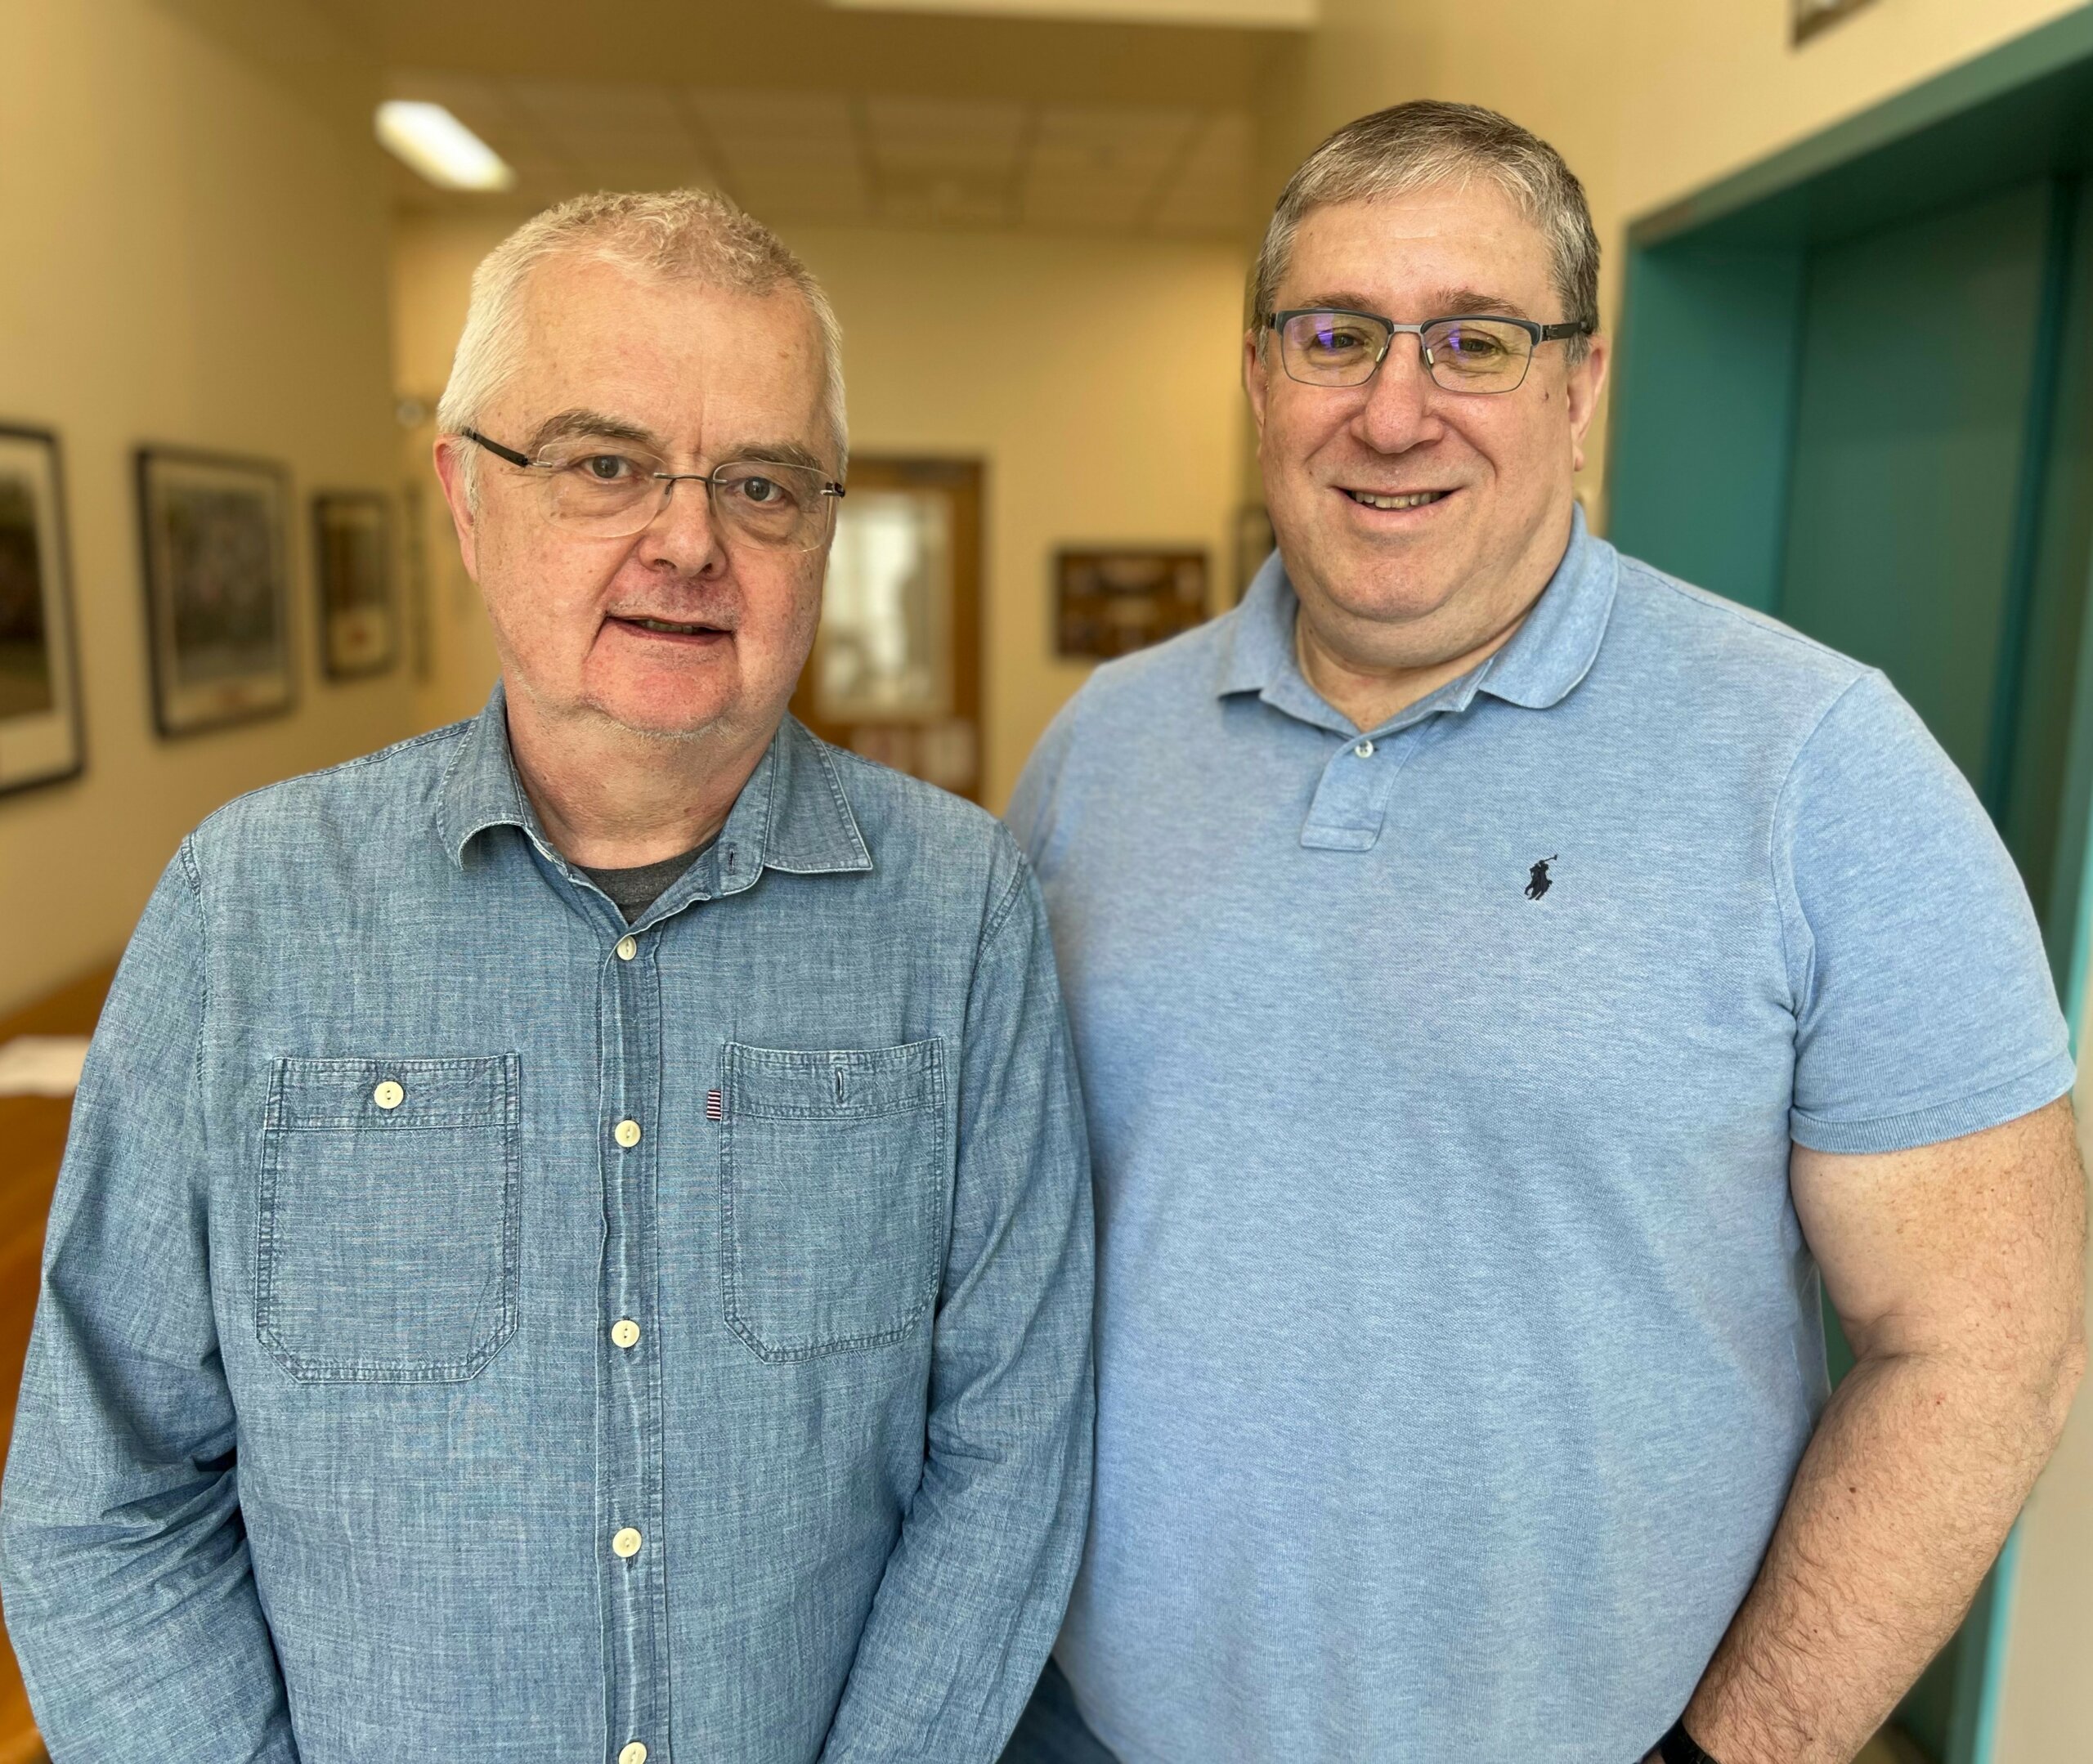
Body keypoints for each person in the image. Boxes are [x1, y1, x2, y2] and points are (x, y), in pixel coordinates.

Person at [1002, 102, 2087, 1764]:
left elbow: (1984, 1334)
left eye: (1473, 340)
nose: (1390, 405)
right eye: (1333, 333)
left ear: (1576, 385)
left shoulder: (1814, 765)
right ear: (1258, 376)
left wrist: (1730, 1753)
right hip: (1081, 1726)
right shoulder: (1102, 748)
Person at [0, 190, 1094, 1764]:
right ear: (465, 494)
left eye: (765, 484)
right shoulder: (245, 912)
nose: (690, 539)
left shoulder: (965, 919)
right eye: (604, 462)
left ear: (822, 529)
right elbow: (102, 1498)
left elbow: (1010, 1460)